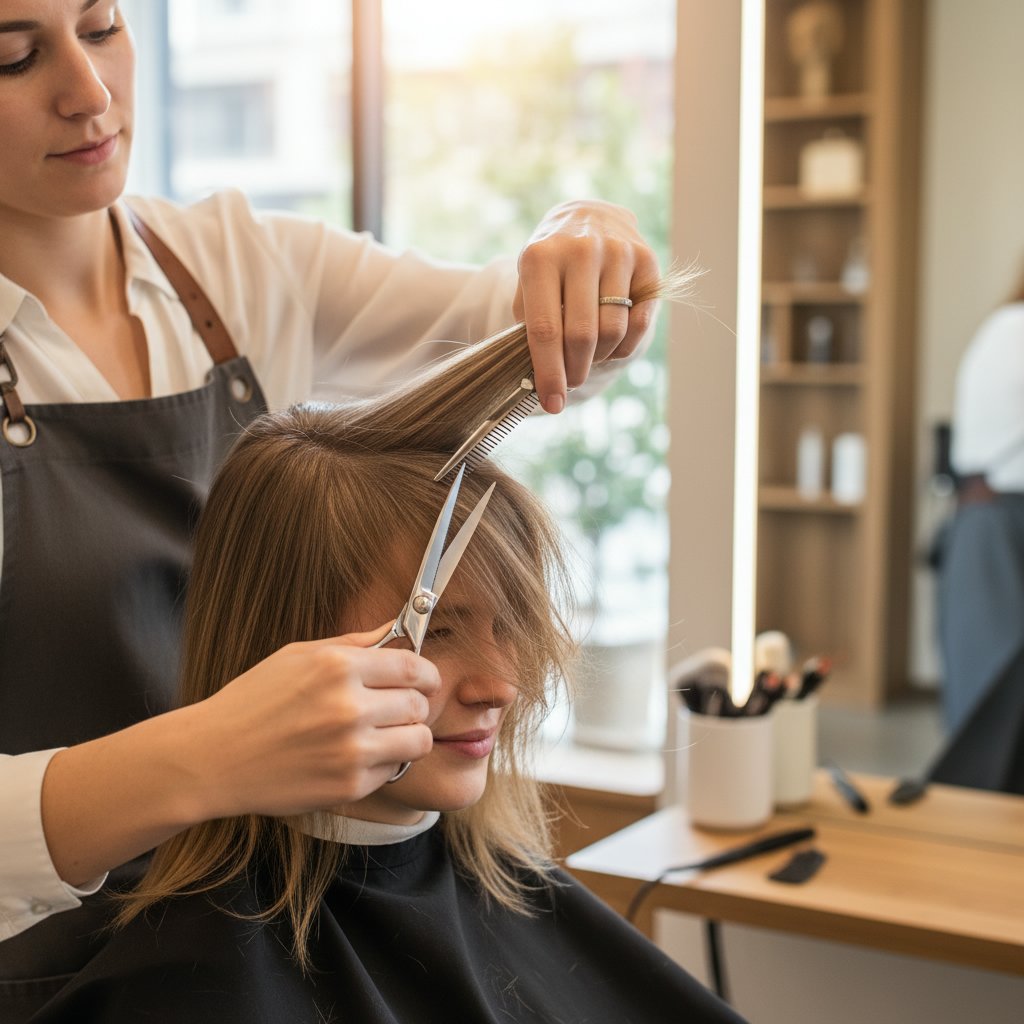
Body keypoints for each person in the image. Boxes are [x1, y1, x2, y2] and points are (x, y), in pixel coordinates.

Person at [0, 2, 662, 1016]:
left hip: (278, 928)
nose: (89, 93)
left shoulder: (235, 264)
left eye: (101, 26)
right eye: (12, 56)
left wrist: (585, 247)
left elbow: (527, 340)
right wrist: (208, 756)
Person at [26, 310, 743, 1023]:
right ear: (283, 651)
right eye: (439, 633)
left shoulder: (508, 883)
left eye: (510, 625)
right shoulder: (190, 984)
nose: (500, 686)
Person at [933, 261, 1024, 786]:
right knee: (991, 715)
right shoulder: (1015, 330)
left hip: (988, 524)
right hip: (999, 528)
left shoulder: (1004, 326)